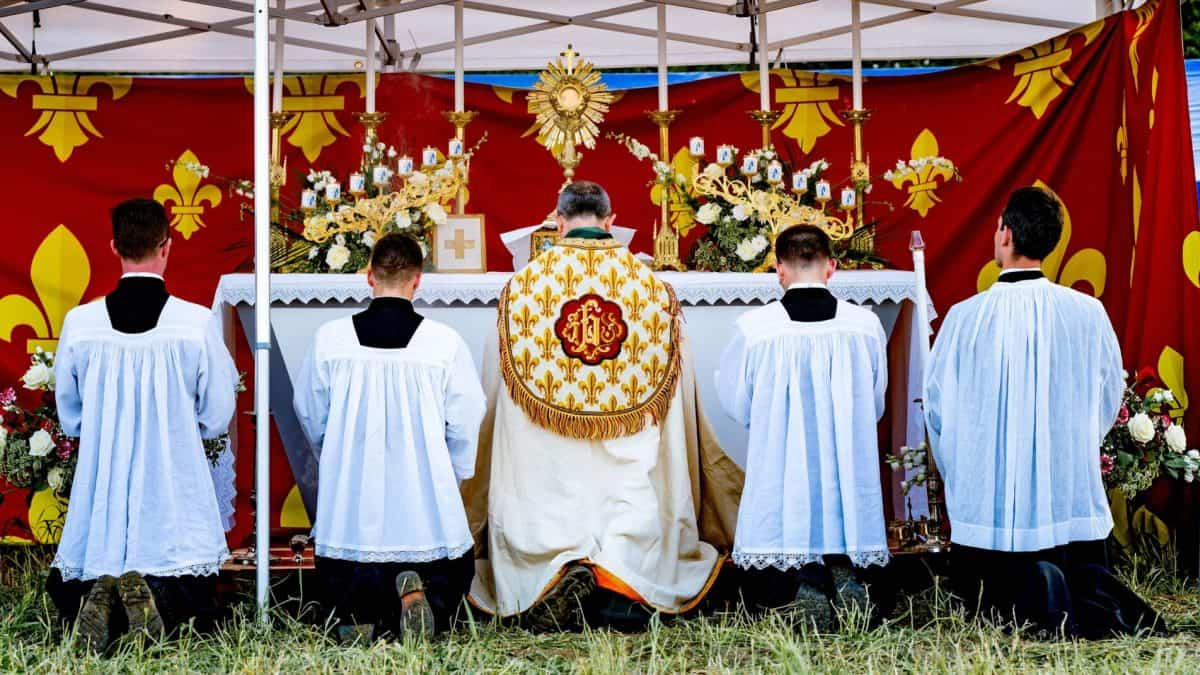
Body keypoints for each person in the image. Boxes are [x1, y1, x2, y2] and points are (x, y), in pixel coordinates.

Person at [462, 181, 744, 631]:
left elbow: (495, 382)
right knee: (625, 495)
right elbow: (677, 394)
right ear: (610, 222)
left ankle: (545, 571)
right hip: (627, 447)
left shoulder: (523, 288)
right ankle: (622, 577)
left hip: (546, 449)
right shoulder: (651, 289)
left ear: (557, 221)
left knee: (546, 473)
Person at [924, 186, 1160, 639]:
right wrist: (1073, 445)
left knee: (995, 598)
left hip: (990, 516)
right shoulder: (1087, 312)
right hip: (1063, 496)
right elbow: (1109, 391)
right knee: (1077, 573)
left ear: (1006, 234)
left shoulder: (963, 317)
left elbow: (939, 408)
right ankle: (1060, 582)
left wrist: (965, 472)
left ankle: (1024, 589)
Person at [48, 198, 237, 651]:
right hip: (173, 471)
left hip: (104, 473)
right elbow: (216, 414)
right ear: (167, 247)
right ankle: (153, 602)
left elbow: (69, 412)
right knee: (184, 573)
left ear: (114, 247)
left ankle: (102, 597)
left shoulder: (82, 322)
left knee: (91, 556)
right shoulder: (193, 322)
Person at [294, 233, 485, 642]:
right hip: (424, 503)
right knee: (444, 561)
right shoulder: (443, 343)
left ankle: (356, 614)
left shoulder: (331, 339)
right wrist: (452, 472)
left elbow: (309, 411)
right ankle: (419, 595)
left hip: (352, 501)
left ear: (368, 276)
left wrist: (335, 454)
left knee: (345, 567)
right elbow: (468, 416)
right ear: (418, 280)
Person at [716, 225, 889, 631]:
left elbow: (738, 402)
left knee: (774, 549)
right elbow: (875, 402)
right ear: (832, 268)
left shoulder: (755, 329)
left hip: (781, 468)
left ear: (779, 270)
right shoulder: (864, 327)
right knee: (848, 528)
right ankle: (845, 575)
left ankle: (795, 588)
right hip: (848, 467)